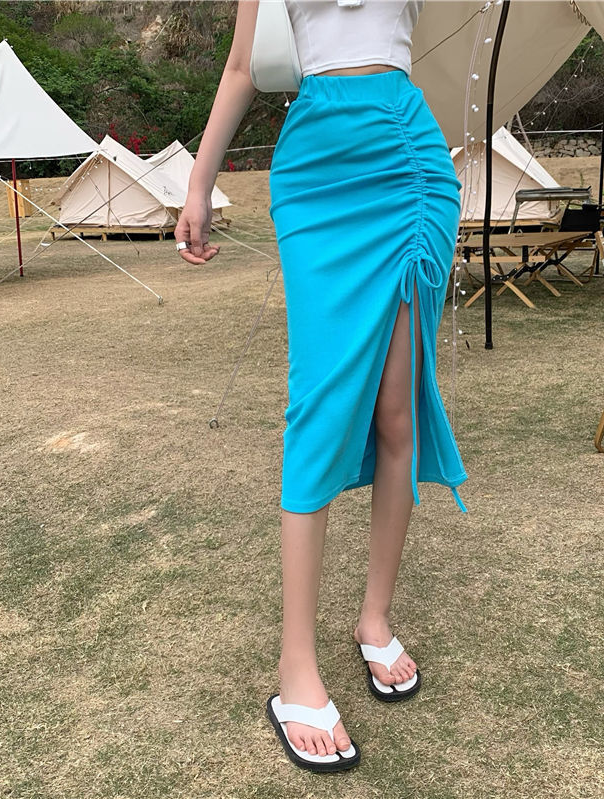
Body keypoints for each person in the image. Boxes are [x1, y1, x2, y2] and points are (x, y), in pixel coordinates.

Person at [175, 0, 467, 772]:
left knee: (398, 410)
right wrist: (199, 184)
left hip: (407, 162)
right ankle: (295, 665)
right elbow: (242, 66)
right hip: (316, 170)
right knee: (318, 408)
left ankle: (375, 617)